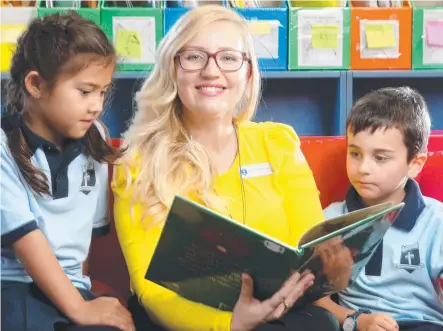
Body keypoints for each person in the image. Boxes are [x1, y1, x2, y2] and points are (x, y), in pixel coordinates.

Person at [112, 5, 340, 331]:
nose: (211, 70)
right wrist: (230, 324)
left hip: (277, 309)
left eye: (229, 58)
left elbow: (309, 247)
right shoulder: (138, 162)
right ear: (172, 68)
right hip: (182, 320)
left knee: (321, 323)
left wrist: (330, 265)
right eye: (194, 57)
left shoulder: (277, 143)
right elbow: (151, 289)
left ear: (247, 72)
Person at [1, 12, 135, 331]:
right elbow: (26, 239)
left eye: (102, 92)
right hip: (12, 286)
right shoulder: (4, 147)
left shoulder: (96, 138)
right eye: (85, 91)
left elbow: (86, 235)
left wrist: (82, 297)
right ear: (36, 84)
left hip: (72, 287)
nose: (96, 105)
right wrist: (79, 309)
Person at [315, 87, 443, 331]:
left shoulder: (437, 221)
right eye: (355, 153)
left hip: (423, 324)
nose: (363, 168)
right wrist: (356, 320)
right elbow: (315, 299)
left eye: (380, 158)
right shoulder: (331, 220)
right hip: (355, 323)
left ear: (415, 164)